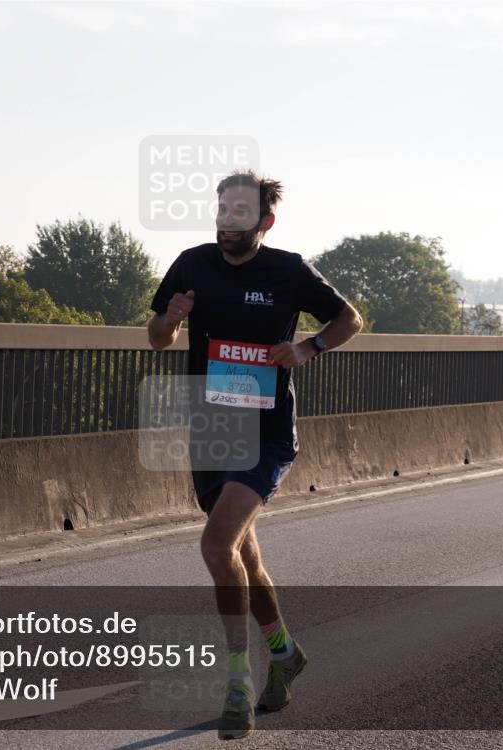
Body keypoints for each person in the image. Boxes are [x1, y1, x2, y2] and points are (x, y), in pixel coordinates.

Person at [147, 171, 363, 740]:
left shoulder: (288, 270)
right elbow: (156, 337)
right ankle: (285, 653)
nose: (227, 221)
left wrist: (309, 346)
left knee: (217, 543)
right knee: (243, 555)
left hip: (266, 432)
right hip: (213, 428)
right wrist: (170, 319)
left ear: (264, 221)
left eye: (241, 212)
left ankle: (238, 682)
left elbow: (349, 319)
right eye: (222, 210)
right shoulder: (191, 264)